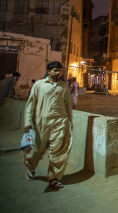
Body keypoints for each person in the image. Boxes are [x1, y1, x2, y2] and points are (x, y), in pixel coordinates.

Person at [24, 61, 72, 189]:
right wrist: (28, 121)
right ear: (49, 71)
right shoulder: (39, 85)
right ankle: (31, 167)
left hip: (60, 122)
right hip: (42, 122)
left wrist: (70, 122)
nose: (58, 73)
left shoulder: (63, 86)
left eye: (59, 71)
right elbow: (30, 104)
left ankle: (54, 178)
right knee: (36, 150)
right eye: (55, 70)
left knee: (58, 151)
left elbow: (68, 105)